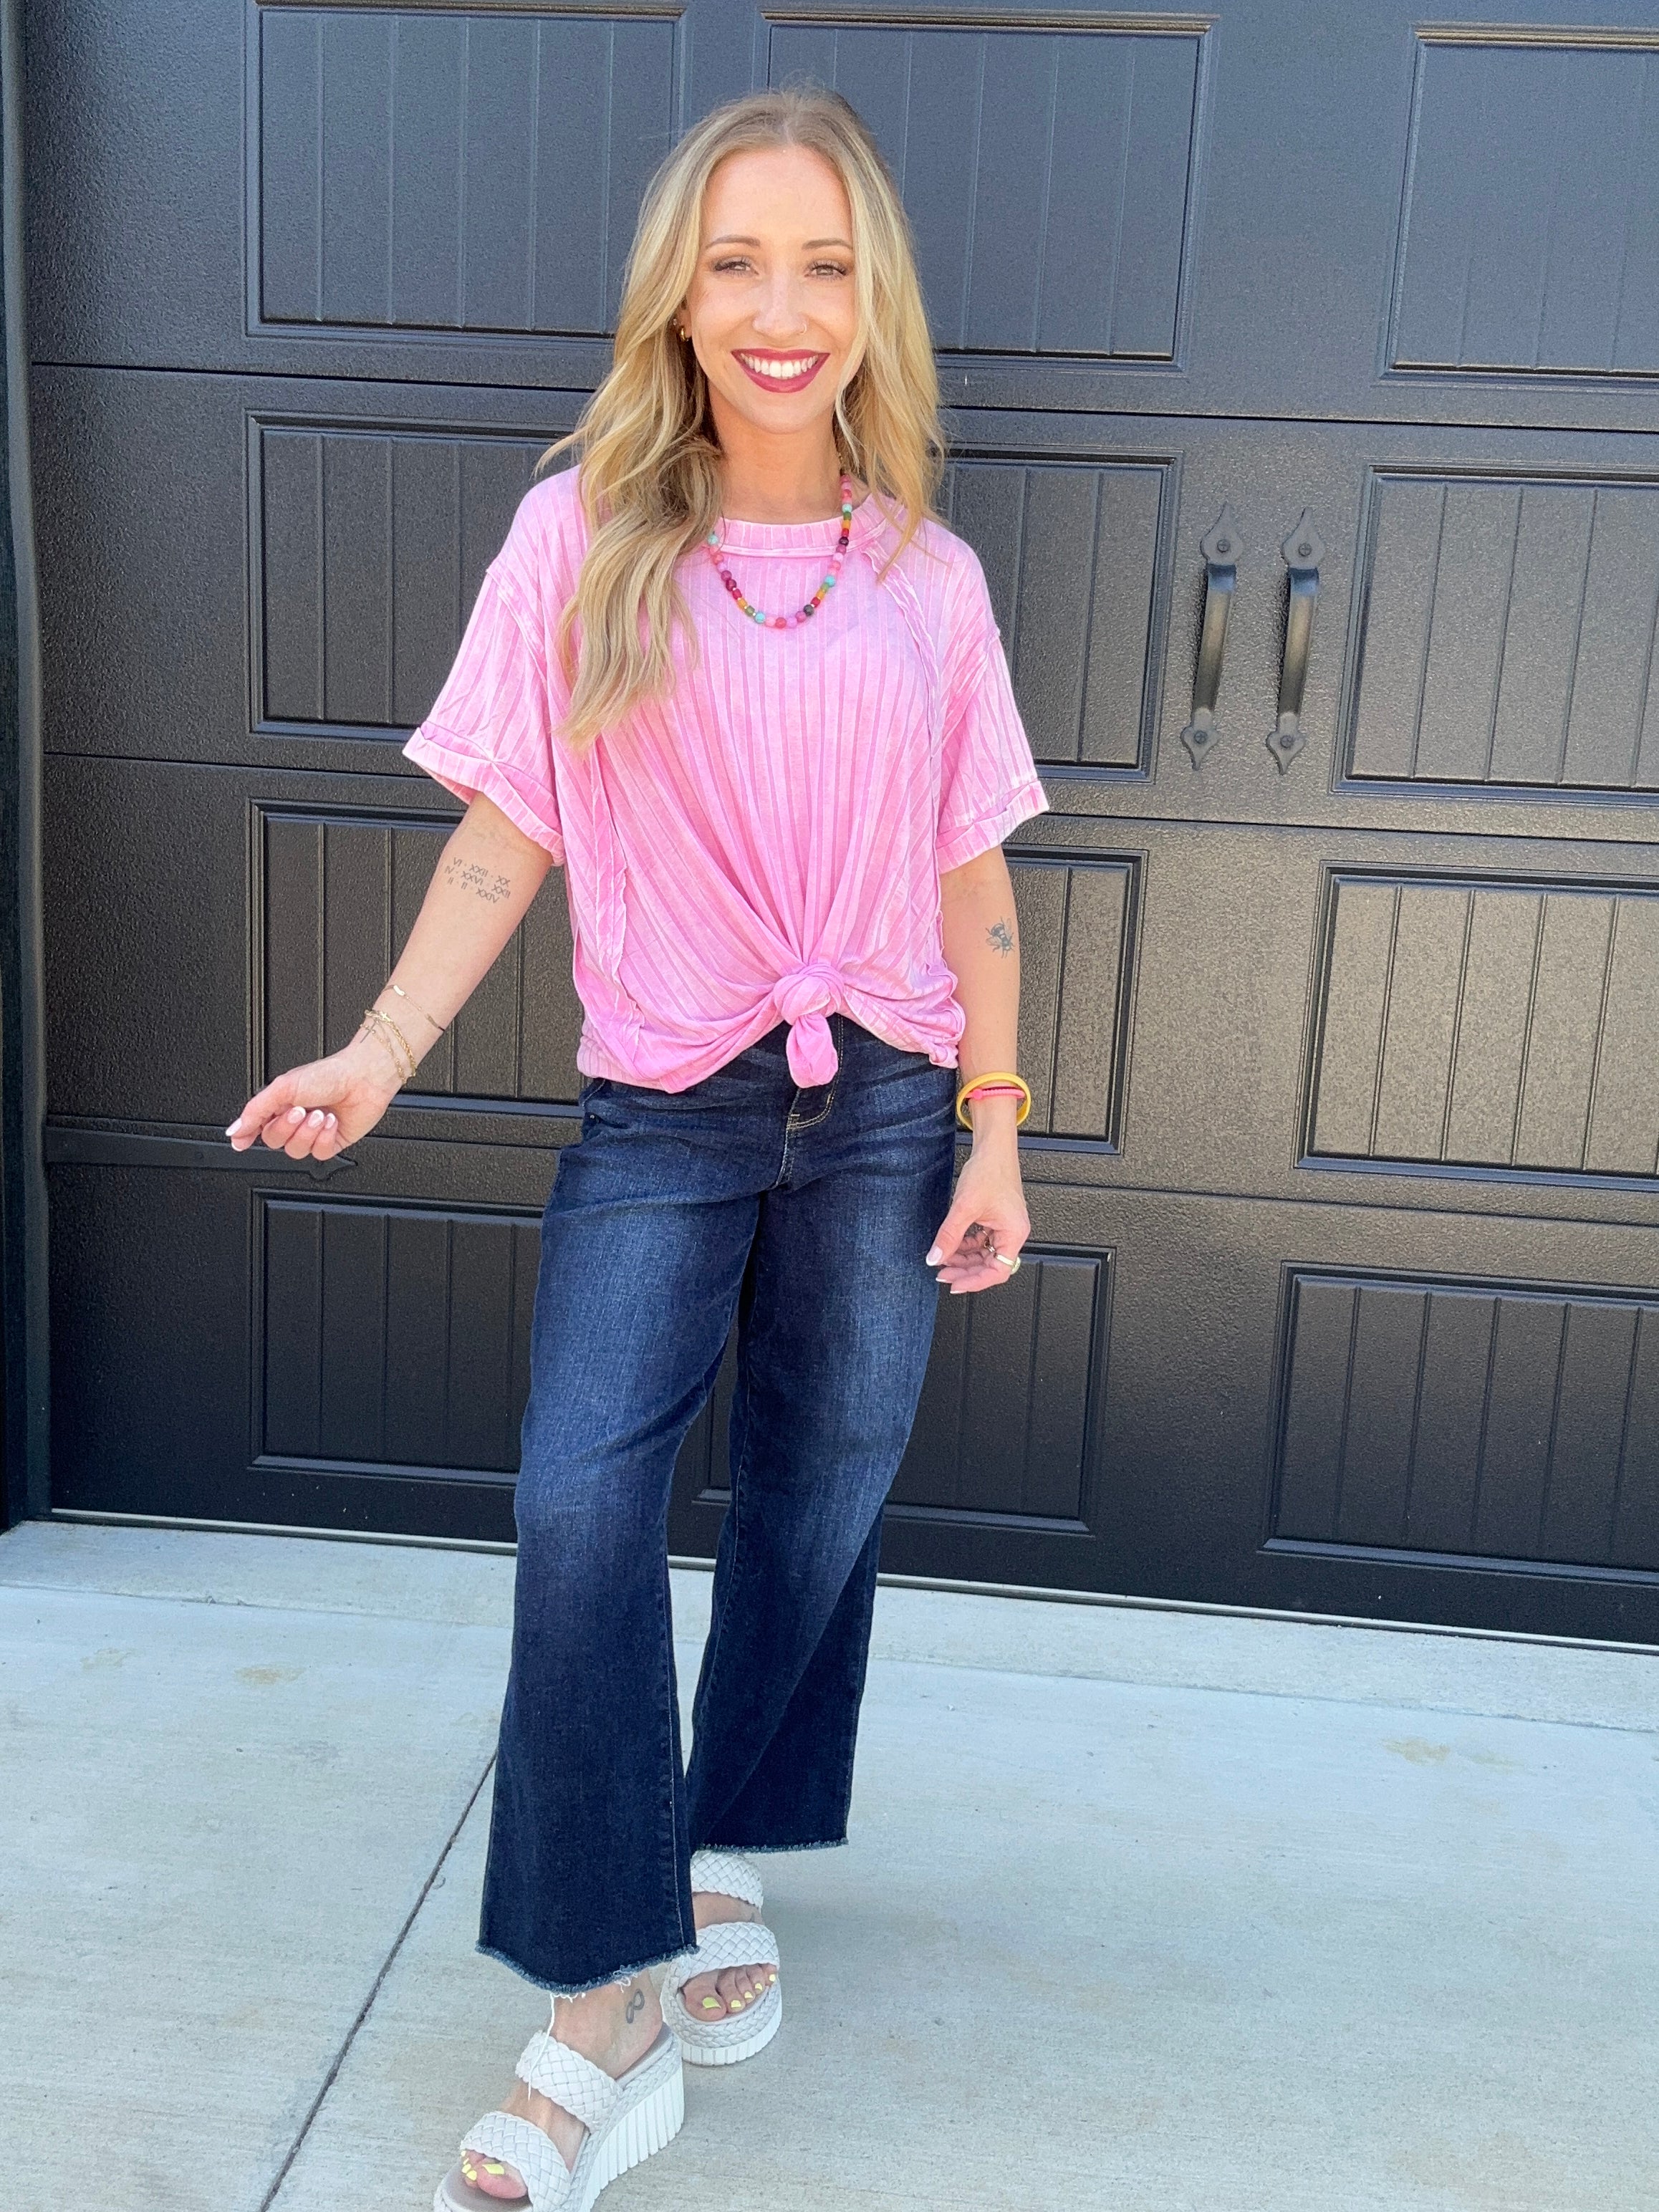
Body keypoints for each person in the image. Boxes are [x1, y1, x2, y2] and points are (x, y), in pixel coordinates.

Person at [228, 85, 1047, 2212]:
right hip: (665, 1105)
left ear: (873, 302)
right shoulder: (578, 536)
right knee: (580, 1501)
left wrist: (995, 1126)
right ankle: (601, 2002)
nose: (780, 310)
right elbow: (507, 833)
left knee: (822, 1485)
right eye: (735, 262)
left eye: (824, 267)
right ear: (676, 295)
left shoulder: (929, 579)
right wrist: (381, 1051)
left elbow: (973, 873)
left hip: (888, 1106)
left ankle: (719, 1840)